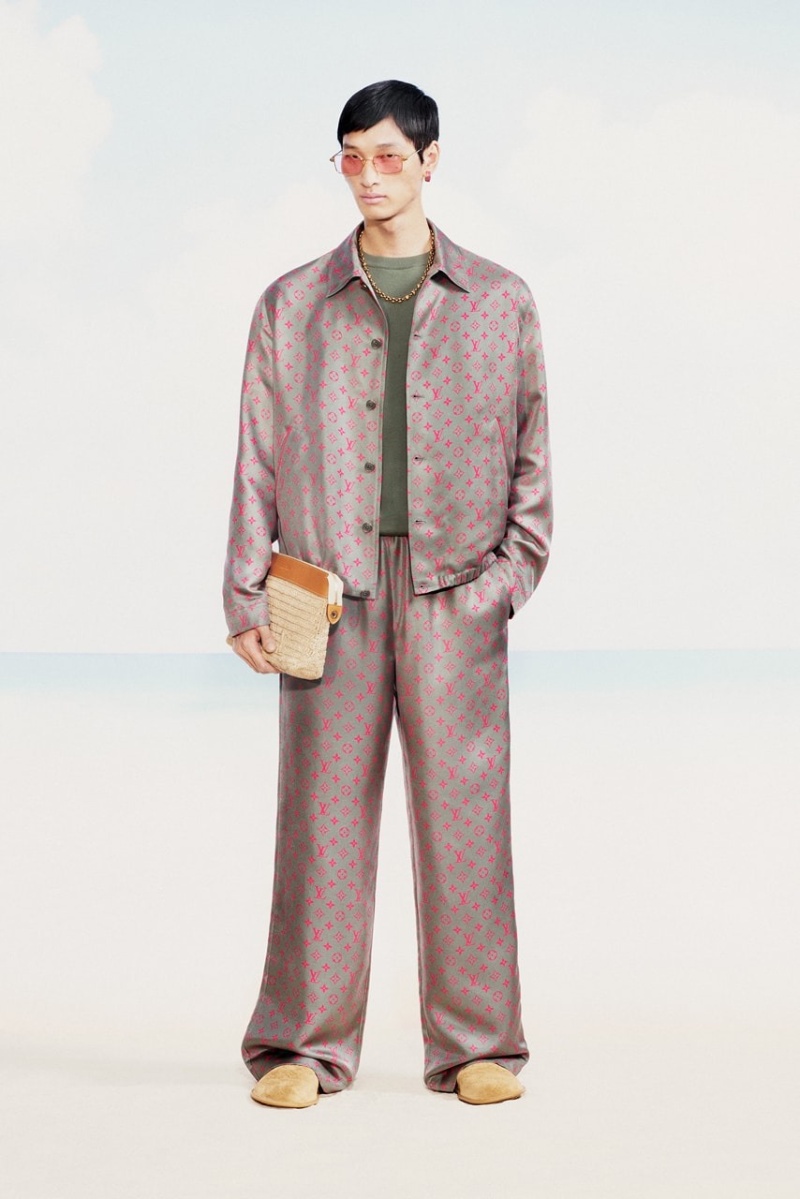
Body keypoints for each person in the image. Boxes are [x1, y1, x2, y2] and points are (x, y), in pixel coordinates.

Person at [223, 80, 553, 1108]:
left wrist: (505, 581)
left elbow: (533, 460)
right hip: (327, 592)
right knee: (319, 825)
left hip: (458, 588)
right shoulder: (291, 304)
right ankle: (301, 1044)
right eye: (351, 158)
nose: (367, 176)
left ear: (429, 161)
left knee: (466, 823)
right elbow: (256, 456)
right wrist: (245, 590)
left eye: (387, 157)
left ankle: (477, 1044)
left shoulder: (501, 300)